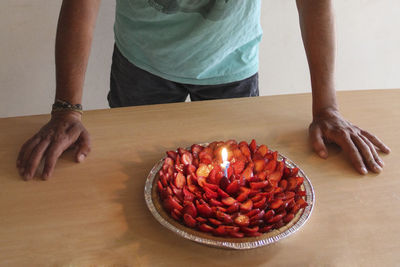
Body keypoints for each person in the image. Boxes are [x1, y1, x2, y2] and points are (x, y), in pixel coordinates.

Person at [16, 0, 390, 180]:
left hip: (231, 66)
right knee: (132, 181)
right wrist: (67, 108)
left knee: (234, 190)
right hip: (141, 65)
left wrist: (327, 108)